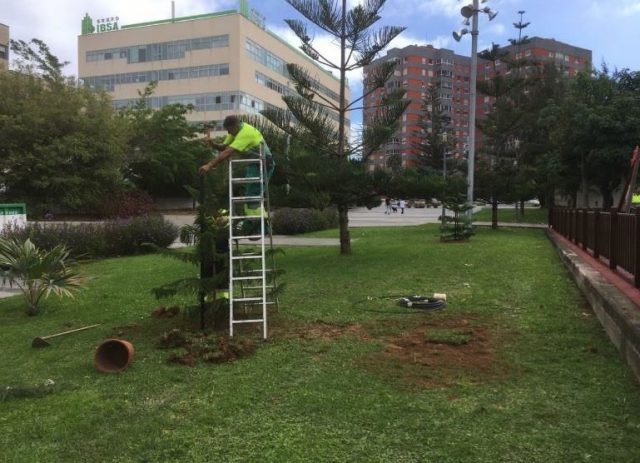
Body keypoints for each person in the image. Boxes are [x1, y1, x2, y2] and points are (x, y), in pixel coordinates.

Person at [199, 116, 275, 235]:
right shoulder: (236, 131)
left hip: (264, 164)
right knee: (250, 196)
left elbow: (228, 152)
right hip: (253, 164)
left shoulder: (246, 133)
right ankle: (257, 225)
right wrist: (212, 144)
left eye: (229, 130)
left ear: (235, 126)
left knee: (253, 197)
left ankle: (261, 227)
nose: (228, 133)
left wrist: (209, 165)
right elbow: (224, 147)